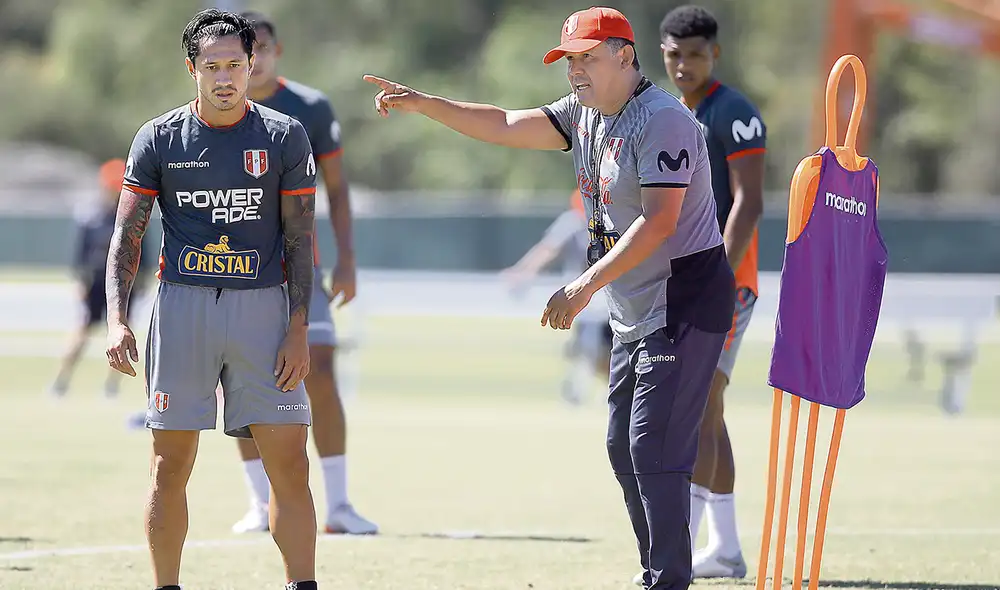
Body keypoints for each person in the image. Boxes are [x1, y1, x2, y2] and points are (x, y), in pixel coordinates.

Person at [365, 7, 735, 589]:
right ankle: (657, 572)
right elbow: (505, 123)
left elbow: (660, 222)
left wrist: (583, 286)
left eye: (587, 58)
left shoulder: (663, 119)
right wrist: (426, 104)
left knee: (652, 445)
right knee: (623, 446)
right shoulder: (583, 112)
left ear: (624, 55)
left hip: (684, 298)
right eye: (568, 60)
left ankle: (668, 579)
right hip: (636, 304)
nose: (574, 70)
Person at [105, 9, 320, 590]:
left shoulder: (284, 136)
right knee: (169, 465)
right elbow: (127, 236)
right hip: (184, 310)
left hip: (264, 311)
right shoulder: (158, 138)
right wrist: (117, 319)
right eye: (211, 66)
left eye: (234, 65)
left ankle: (302, 585)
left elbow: (300, 237)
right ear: (191, 69)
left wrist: (298, 327)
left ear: (252, 65)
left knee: (290, 464)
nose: (224, 78)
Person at [227, 10, 377, 537]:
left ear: (276, 51)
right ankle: (259, 503)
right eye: (245, 52)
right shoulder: (215, 111)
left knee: (322, 369)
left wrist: (347, 258)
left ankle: (338, 504)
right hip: (236, 268)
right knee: (243, 380)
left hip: (300, 268)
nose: (255, 60)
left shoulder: (309, 108)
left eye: (262, 48)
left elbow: (336, 187)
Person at [657, 5, 767, 580]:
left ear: (714, 54)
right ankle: (722, 548)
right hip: (685, 282)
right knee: (705, 408)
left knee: (700, 404)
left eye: (695, 54)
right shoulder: (669, 111)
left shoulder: (734, 112)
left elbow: (749, 201)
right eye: (674, 54)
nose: (684, 65)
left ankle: (691, 545)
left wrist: (716, 274)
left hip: (727, 283)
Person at [50, 159, 153, 398]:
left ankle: (111, 386)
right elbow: (81, 254)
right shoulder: (90, 217)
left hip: (124, 283)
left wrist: (142, 280)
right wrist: (80, 281)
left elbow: (142, 250)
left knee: (123, 333)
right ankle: (61, 381)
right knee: (82, 330)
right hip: (96, 281)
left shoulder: (133, 216)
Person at [501, 189, 612, 405]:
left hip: (609, 296)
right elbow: (547, 249)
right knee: (589, 345)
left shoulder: (612, 219)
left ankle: (605, 387)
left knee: (603, 348)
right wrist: (523, 271)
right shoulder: (572, 223)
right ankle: (581, 388)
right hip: (583, 297)